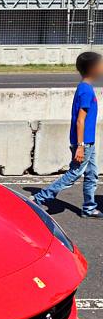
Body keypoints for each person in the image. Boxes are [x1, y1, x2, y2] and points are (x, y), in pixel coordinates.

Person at [32, 52, 103, 219]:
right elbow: (80, 120)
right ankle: (39, 198)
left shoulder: (86, 87)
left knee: (92, 173)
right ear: (93, 69)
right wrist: (80, 145)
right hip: (83, 142)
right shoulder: (85, 90)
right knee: (74, 174)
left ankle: (89, 207)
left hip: (88, 141)